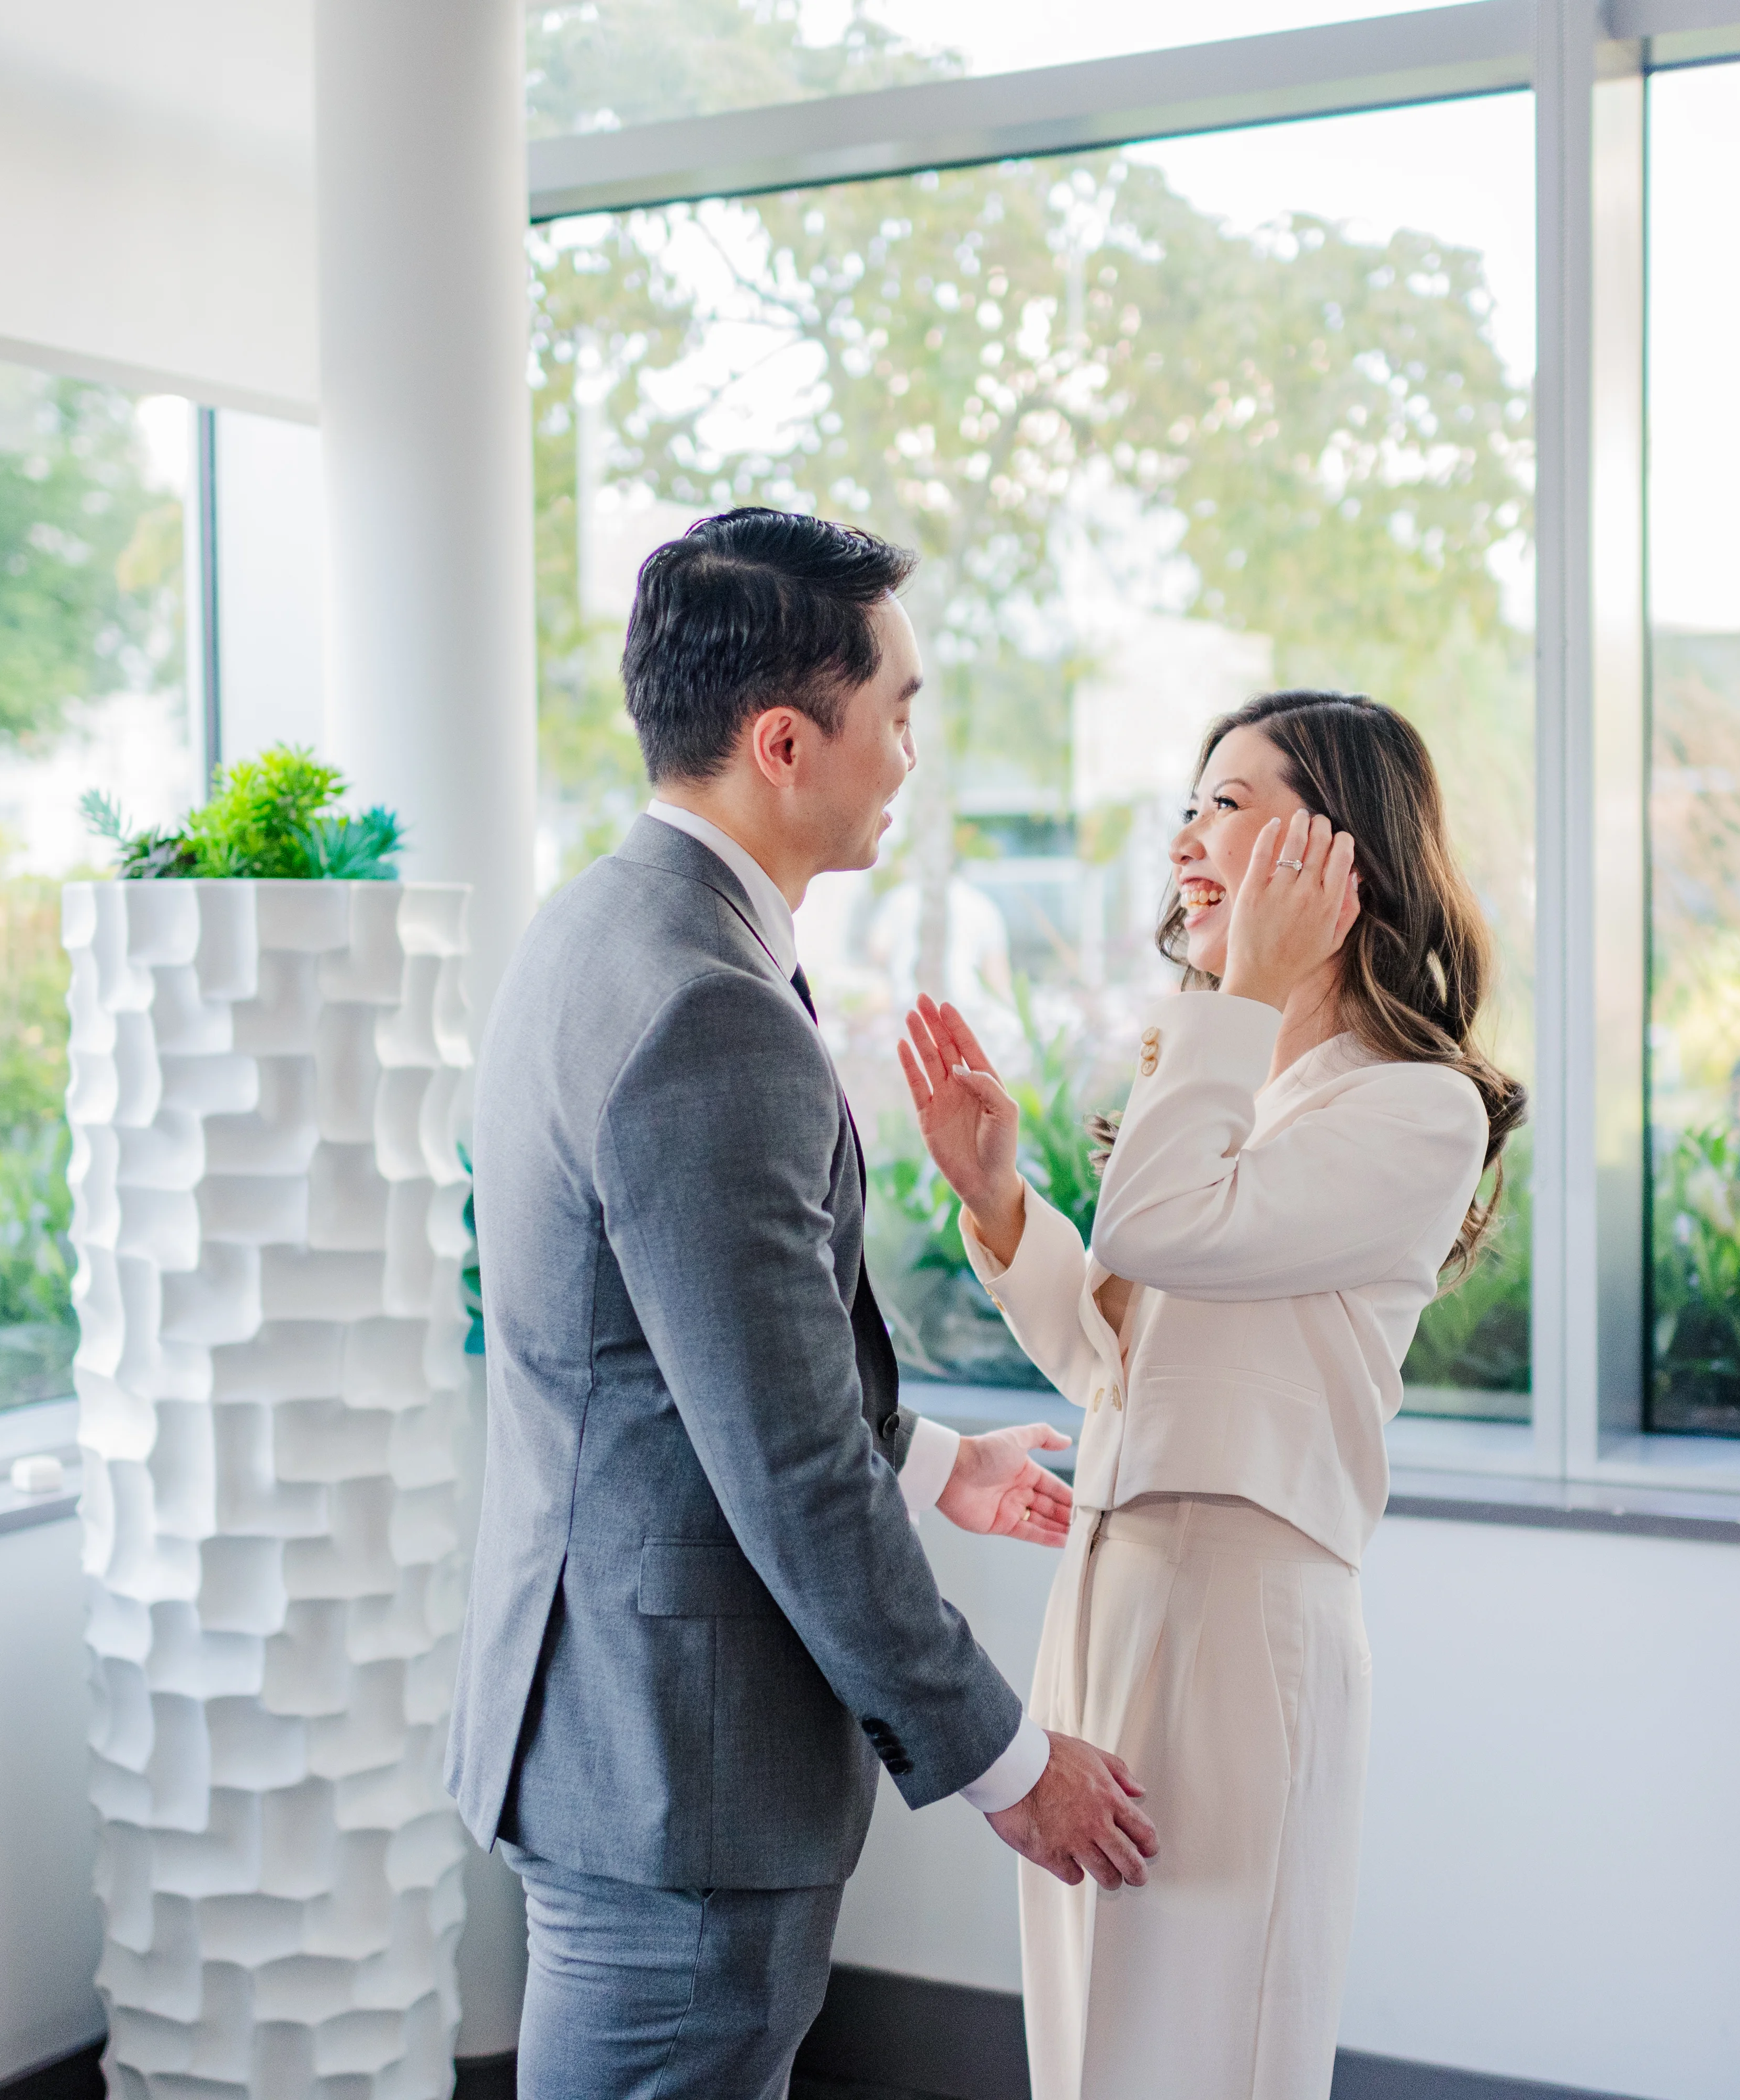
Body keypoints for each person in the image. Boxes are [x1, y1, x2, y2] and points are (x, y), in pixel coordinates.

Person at [446, 507, 1159, 2100]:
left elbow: (688, 1368)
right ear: (784, 740)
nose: (911, 753)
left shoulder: (598, 928)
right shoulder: (709, 1006)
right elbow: (778, 1462)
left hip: (614, 1739)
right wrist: (1005, 1763)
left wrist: (930, 1460)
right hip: (679, 1777)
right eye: (897, 708)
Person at [899, 690, 1526, 2100]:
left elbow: (1155, 1232)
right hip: (1113, 1585)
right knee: (1089, 2042)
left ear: (1338, 850)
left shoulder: (1413, 1110)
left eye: (1228, 804)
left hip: (1242, 1605)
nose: (1187, 836)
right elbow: (1119, 1359)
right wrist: (997, 1200)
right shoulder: (1232, 1072)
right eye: (1191, 801)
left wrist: (1233, 1002)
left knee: (1199, 2047)